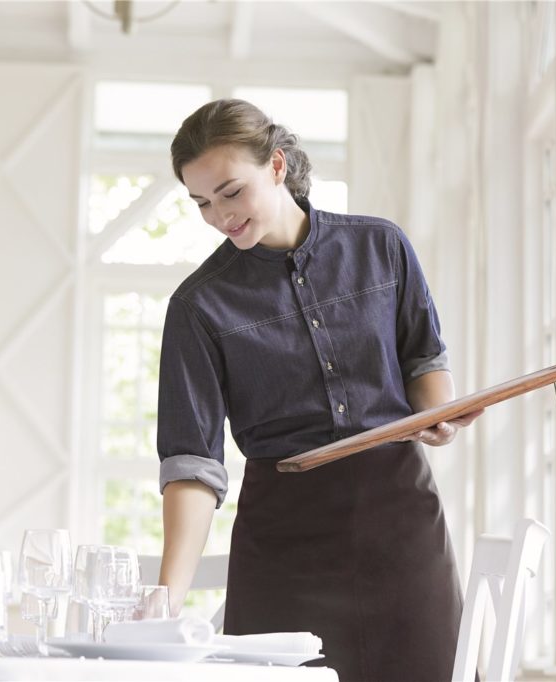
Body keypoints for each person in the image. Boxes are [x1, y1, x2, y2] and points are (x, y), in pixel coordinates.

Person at [156, 98, 481, 682]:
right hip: (283, 541)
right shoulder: (197, 306)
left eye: (231, 192)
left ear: (277, 166)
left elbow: (423, 358)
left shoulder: (381, 246)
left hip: (402, 523)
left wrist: (440, 413)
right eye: (201, 202)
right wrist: (166, 599)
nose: (219, 216)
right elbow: (192, 465)